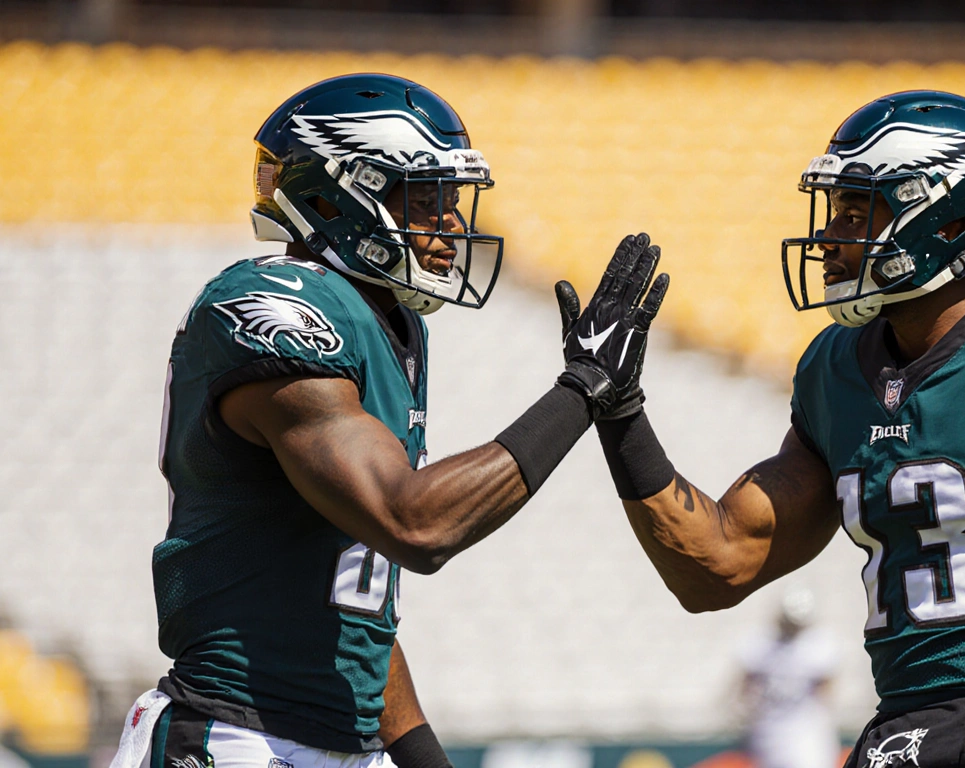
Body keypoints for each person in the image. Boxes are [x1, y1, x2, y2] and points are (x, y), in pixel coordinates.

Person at [583, 91, 965, 768]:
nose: (830, 238)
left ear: (948, 221)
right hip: (899, 733)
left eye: (857, 211)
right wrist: (620, 412)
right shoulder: (836, 370)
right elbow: (718, 565)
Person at [109, 74, 668, 768]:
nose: (453, 228)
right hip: (235, 737)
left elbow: (352, 611)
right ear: (340, 193)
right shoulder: (271, 308)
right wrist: (580, 391)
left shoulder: (389, 323)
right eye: (429, 201)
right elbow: (414, 525)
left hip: (344, 742)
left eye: (455, 203)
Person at [737, 588, 839, 768]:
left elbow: (826, 691)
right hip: (769, 730)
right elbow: (745, 685)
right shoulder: (760, 643)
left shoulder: (819, 645)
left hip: (807, 732)